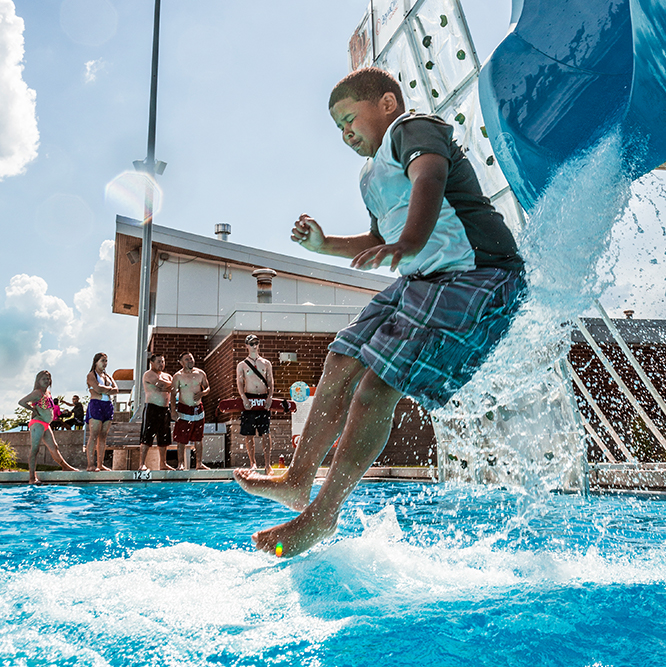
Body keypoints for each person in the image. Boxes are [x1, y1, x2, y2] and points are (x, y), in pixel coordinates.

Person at [234, 67, 526, 557]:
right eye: (338, 128)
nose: (346, 133)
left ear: (386, 104)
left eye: (350, 119)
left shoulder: (412, 129)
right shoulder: (371, 177)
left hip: (480, 275)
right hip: (424, 279)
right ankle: (298, 477)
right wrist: (325, 245)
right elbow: (378, 238)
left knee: (374, 389)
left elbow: (430, 176)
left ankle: (321, 516)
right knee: (341, 357)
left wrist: (409, 242)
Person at [18, 370, 78, 484]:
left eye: (48, 378)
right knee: (35, 449)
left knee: (54, 447)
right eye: (44, 379)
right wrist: (33, 409)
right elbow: (21, 402)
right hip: (37, 423)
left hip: (46, 424)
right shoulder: (37, 393)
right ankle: (32, 478)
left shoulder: (48, 392)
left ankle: (65, 467)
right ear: (38, 381)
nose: (46, 381)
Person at [236, 334, 274, 473]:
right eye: (251, 343)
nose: (254, 345)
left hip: (263, 398)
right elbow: (239, 382)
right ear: (246, 345)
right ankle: (253, 462)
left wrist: (270, 397)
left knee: (266, 432)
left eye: (256, 343)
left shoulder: (266, 363)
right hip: (250, 398)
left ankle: (267, 464)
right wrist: (244, 398)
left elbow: (270, 381)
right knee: (249, 433)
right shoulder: (241, 365)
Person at [170, 352, 211, 470]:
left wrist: (203, 393)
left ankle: (199, 463)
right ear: (181, 362)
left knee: (198, 438)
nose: (190, 361)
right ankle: (181, 464)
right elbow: (173, 394)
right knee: (181, 439)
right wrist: (173, 411)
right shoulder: (178, 376)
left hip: (198, 409)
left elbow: (208, 387)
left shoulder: (200, 373)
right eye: (187, 359)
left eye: (191, 358)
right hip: (184, 409)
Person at [139, 352, 174, 471]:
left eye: (163, 361)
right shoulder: (148, 375)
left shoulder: (168, 376)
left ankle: (163, 464)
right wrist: (171, 385)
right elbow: (162, 385)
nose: (161, 364)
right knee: (146, 438)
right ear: (152, 363)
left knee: (164, 439)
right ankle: (142, 464)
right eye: (159, 361)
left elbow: (170, 389)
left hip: (165, 409)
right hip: (152, 408)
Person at [85, 352, 119, 471]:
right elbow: (97, 388)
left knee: (103, 436)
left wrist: (104, 390)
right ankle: (90, 465)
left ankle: (100, 464)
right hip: (96, 404)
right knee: (94, 435)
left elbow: (117, 390)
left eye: (106, 361)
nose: (105, 363)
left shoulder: (108, 376)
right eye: (103, 361)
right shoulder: (91, 375)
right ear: (96, 362)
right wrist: (108, 390)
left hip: (107, 405)